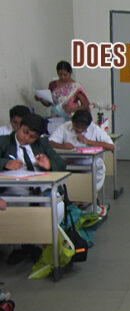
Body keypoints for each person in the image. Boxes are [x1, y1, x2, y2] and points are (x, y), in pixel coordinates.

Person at [0, 113, 67, 264]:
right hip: (15, 192)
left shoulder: (41, 144)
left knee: (55, 208)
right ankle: (20, 246)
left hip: (41, 190)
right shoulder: (4, 142)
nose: (26, 138)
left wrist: (49, 164)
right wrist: (5, 163)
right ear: (18, 127)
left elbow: (61, 163)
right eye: (25, 132)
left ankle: (44, 244)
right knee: (17, 212)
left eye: (32, 136)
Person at [49, 110, 114, 206]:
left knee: (89, 183)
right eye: (76, 126)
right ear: (72, 121)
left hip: (90, 165)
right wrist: (63, 147)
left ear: (88, 125)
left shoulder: (94, 129)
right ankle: (73, 201)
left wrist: (88, 142)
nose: (78, 130)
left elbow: (111, 146)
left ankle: (88, 199)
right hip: (69, 164)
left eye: (82, 128)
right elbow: (50, 142)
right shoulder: (65, 127)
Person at [35, 61, 90, 134]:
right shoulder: (53, 85)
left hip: (70, 117)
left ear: (70, 73)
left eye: (65, 74)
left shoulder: (75, 87)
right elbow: (49, 103)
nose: (62, 77)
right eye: (60, 75)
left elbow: (85, 105)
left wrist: (72, 109)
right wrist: (41, 99)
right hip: (55, 118)